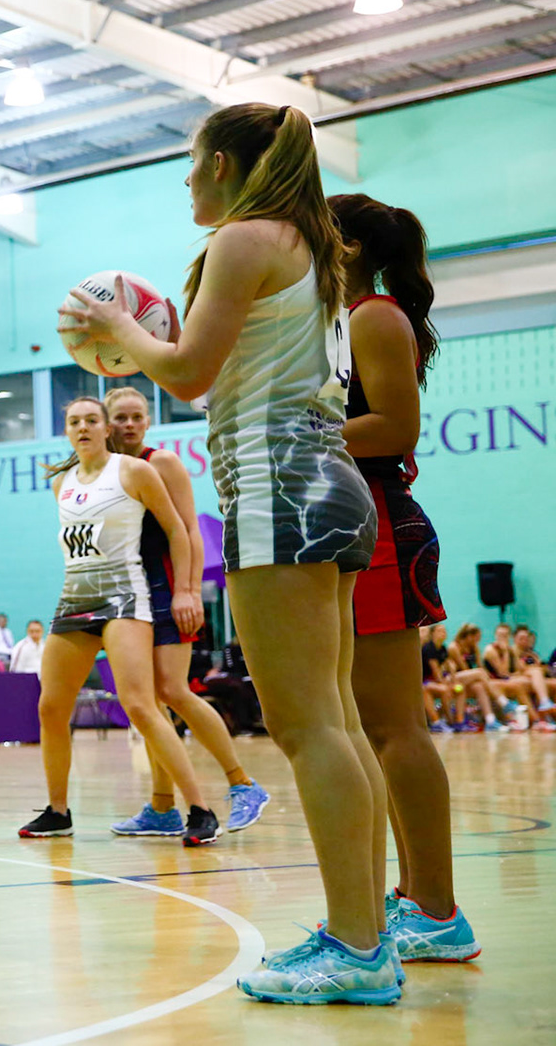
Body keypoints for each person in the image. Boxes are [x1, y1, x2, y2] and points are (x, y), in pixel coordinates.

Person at [61, 102, 395, 1003]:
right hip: (329, 480)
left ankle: (360, 951)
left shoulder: (249, 237)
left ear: (229, 165)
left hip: (279, 482)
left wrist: (111, 325)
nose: (186, 179)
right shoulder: (310, 243)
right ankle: (363, 936)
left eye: (195, 161)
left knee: (310, 727)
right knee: (338, 722)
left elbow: (187, 372)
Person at [326, 192, 483, 958]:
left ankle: (440, 909)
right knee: (372, 727)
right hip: (356, 521)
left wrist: (291, 429)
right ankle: (419, 897)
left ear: (348, 246)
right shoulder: (345, 319)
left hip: (382, 522)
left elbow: (395, 424)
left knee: (395, 727)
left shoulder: (373, 317)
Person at [20, 396, 220, 850]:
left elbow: (177, 530)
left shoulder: (134, 471)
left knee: (140, 704)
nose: (84, 427)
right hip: (75, 598)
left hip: (125, 597)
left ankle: (200, 809)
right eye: (75, 422)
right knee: (51, 706)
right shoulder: (63, 482)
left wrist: (187, 589)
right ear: (67, 431)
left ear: (107, 427)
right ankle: (58, 812)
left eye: (92, 420)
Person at [101, 387, 270, 840]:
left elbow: (191, 532)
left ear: (149, 421)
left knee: (175, 691)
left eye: (138, 416)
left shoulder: (163, 463)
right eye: (121, 417)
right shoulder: (109, 470)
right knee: (150, 704)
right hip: (128, 593)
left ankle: (243, 783)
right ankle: (161, 808)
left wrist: (189, 591)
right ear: (107, 422)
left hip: (166, 588)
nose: (130, 424)